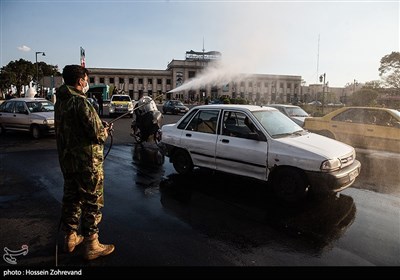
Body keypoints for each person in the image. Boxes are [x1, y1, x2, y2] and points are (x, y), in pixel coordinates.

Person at [54, 65, 114, 261]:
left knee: (71, 198)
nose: (87, 82)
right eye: (86, 79)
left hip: (68, 161)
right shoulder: (81, 103)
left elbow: (74, 129)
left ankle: (70, 238)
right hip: (87, 164)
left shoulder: (61, 102)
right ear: (80, 81)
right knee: (91, 202)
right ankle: (92, 244)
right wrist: (104, 131)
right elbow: (97, 134)